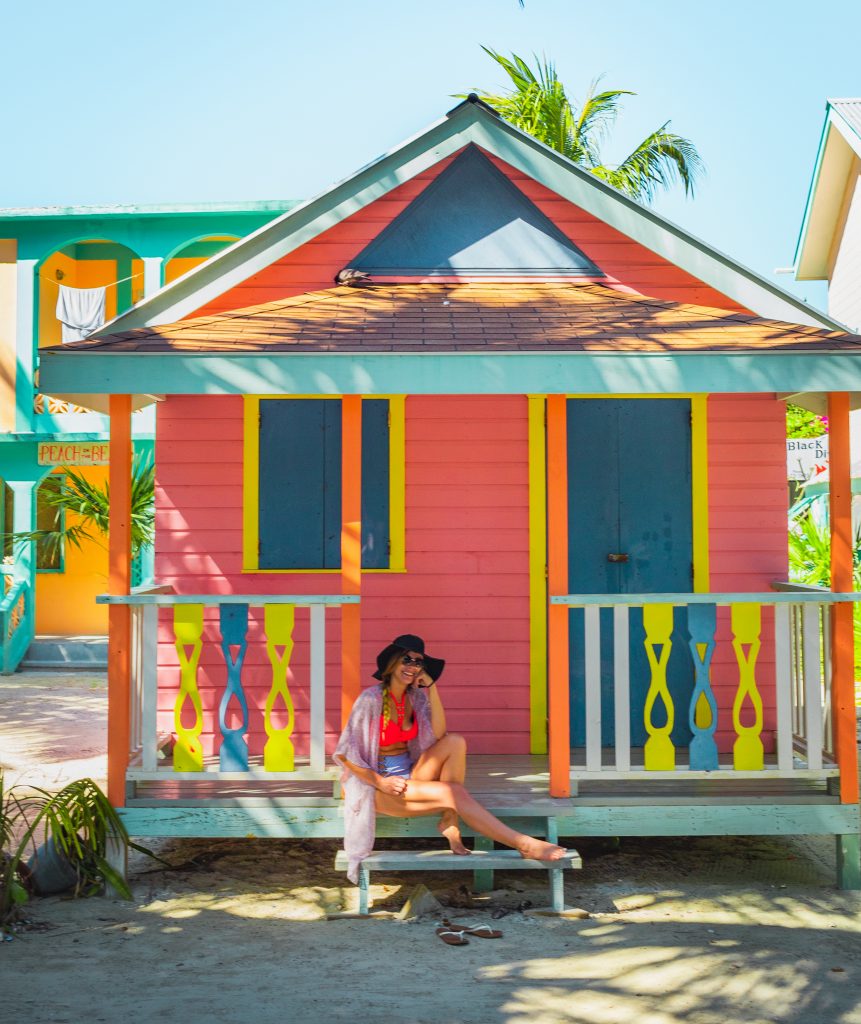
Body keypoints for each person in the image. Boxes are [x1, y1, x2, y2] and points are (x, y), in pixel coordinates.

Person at [333, 633, 568, 884]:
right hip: (380, 787)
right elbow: (347, 755)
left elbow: (438, 733)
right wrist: (381, 782)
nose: (412, 666)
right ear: (392, 662)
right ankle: (523, 843)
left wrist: (432, 688)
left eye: (418, 663)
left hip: (410, 777)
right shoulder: (371, 699)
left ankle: (450, 817)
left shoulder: (414, 697)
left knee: (455, 742)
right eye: (407, 660)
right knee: (454, 792)